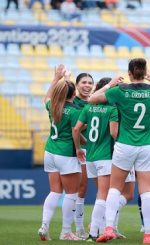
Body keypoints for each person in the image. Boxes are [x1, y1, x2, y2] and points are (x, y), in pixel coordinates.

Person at [89, 58, 150, 244]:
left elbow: (92, 99)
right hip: (147, 146)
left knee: (114, 188)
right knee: (146, 191)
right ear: (144, 73)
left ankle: (108, 229)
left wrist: (110, 85)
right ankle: (147, 235)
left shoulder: (120, 91)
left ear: (129, 73)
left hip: (124, 145)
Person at [73, 77, 135, 241]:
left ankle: (104, 228)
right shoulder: (112, 109)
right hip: (107, 156)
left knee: (106, 194)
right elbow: (114, 133)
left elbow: (77, 129)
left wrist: (79, 147)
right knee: (105, 195)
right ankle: (94, 232)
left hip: (91, 156)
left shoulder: (89, 108)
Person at [38, 65, 82, 241]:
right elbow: (75, 132)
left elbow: (47, 97)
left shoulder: (53, 105)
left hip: (50, 151)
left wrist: (57, 78)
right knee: (72, 193)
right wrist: (79, 149)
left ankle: (44, 225)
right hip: (66, 153)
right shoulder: (74, 111)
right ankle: (65, 231)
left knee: (54, 191)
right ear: (73, 94)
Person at [73, 72, 94, 240]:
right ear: (77, 84)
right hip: (82, 150)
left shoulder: (93, 101)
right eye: (84, 82)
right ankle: (79, 228)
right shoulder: (74, 103)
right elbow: (74, 127)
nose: (87, 85)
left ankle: (97, 224)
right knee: (82, 188)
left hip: (96, 150)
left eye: (90, 82)